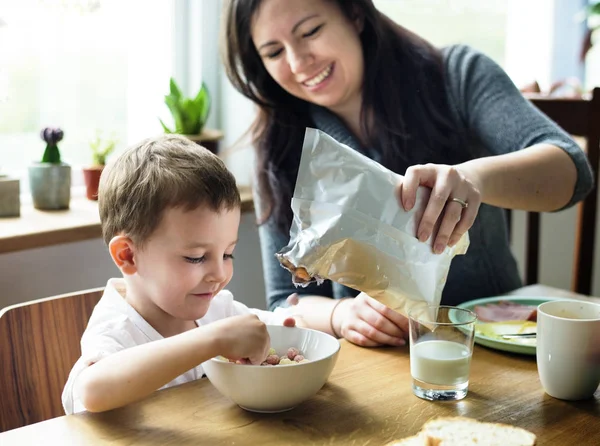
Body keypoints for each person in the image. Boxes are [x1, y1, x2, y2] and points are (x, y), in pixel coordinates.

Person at [221, 0, 594, 347]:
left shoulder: (456, 75)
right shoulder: (280, 145)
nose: (299, 62)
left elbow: (572, 171)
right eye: (273, 52)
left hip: (491, 344)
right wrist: (340, 314)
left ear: (353, 13)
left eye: (310, 31)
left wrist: (474, 180)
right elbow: (284, 302)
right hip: (380, 365)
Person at [61, 135, 309, 415]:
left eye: (228, 254)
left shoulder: (218, 310)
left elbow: (268, 329)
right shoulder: (116, 330)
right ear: (128, 256)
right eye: (196, 257)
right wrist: (212, 340)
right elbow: (93, 391)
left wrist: (294, 324)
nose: (219, 273)